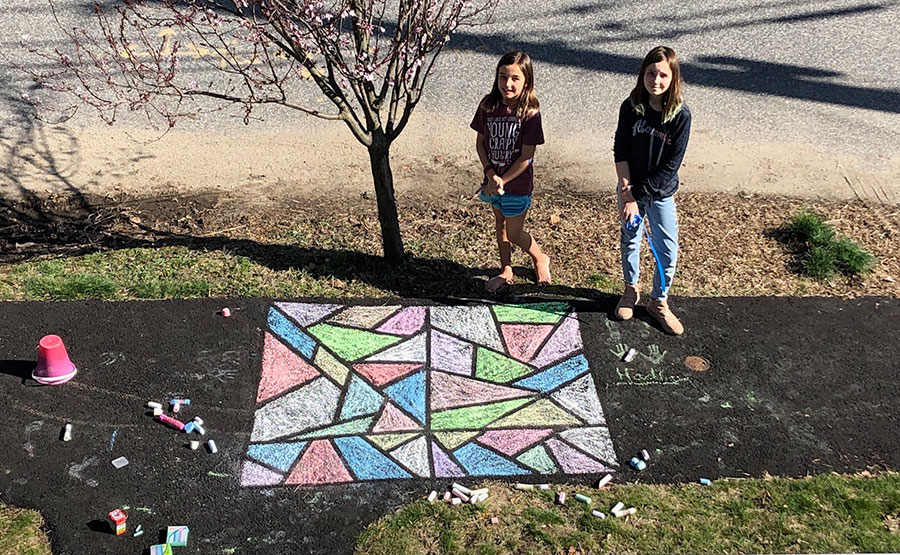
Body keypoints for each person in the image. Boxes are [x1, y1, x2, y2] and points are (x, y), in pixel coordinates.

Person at [613, 46, 692, 335]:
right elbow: (620, 148)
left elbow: (671, 166)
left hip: (659, 192)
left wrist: (637, 194)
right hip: (630, 188)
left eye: (662, 75)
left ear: (673, 78)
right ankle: (631, 290)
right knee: (631, 238)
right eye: (650, 73)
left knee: (667, 248)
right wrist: (625, 190)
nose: (655, 80)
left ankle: (658, 301)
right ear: (642, 74)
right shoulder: (631, 107)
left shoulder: (680, 115)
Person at [471, 51, 551, 293]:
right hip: (492, 182)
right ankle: (506, 268)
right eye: (502, 76)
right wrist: (489, 172)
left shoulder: (530, 112)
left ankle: (540, 257)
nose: (507, 84)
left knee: (515, 233)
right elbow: (480, 143)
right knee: (500, 224)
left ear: (527, 80)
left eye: (515, 78)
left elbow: (527, 157)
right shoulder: (488, 105)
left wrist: (501, 180)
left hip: (516, 186)